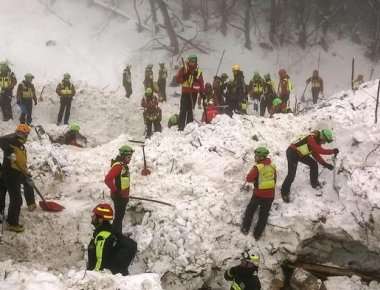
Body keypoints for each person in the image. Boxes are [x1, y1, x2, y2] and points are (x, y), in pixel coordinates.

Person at [281, 129, 339, 203]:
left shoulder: (316, 142)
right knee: (291, 174)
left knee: (313, 164)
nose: (325, 143)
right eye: (325, 140)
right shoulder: (311, 138)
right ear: (322, 137)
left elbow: (316, 155)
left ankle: (314, 183)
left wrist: (325, 164)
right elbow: (320, 150)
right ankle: (284, 192)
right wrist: (332, 151)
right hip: (292, 152)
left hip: (300, 154)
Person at [0, 124, 36, 232]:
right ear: (21, 134)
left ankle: (31, 203)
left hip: (17, 172)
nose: (26, 136)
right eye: (26, 134)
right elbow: (2, 140)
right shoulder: (11, 142)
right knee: (16, 200)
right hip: (10, 174)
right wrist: (9, 152)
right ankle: (12, 223)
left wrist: (26, 171)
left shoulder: (21, 146)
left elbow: (21, 162)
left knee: (28, 182)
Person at [87, 203, 137, 275]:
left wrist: (91, 276)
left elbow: (100, 261)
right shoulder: (110, 231)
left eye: (94, 216)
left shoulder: (102, 236)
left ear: (100, 219)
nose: (92, 217)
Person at [241, 147, 276, 240]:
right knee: (264, 215)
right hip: (270, 195)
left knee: (250, 211)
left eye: (256, 156)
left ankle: (245, 228)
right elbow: (274, 179)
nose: (255, 157)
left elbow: (249, 179)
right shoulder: (273, 166)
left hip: (258, 195)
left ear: (261, 157)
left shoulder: (258, 167)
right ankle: (257, 234)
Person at [104, 145, 134, 234]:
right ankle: (116, 237)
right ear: (123, 156)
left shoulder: (123, 166)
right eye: (128, 157)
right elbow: (107, 179)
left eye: (131, 157)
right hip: (119, 197)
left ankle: (116, 235)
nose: (130, 159)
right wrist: (115, 191)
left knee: (119, 218)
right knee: (118, 219)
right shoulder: (118, 166)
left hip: (122, 197)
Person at [176, 54, 204, 131]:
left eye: (194, 61)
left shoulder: (198, 71)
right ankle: (181, 127)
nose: (192, 63)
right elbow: (178, 79)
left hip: (194, 93)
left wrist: (202, 92)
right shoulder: (184, 69)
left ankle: (189, 126)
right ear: (188, 61)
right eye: (191, 61)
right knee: (183, 110)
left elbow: (201, 82)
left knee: (191, 110)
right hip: (185, 92)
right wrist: (184, 77)